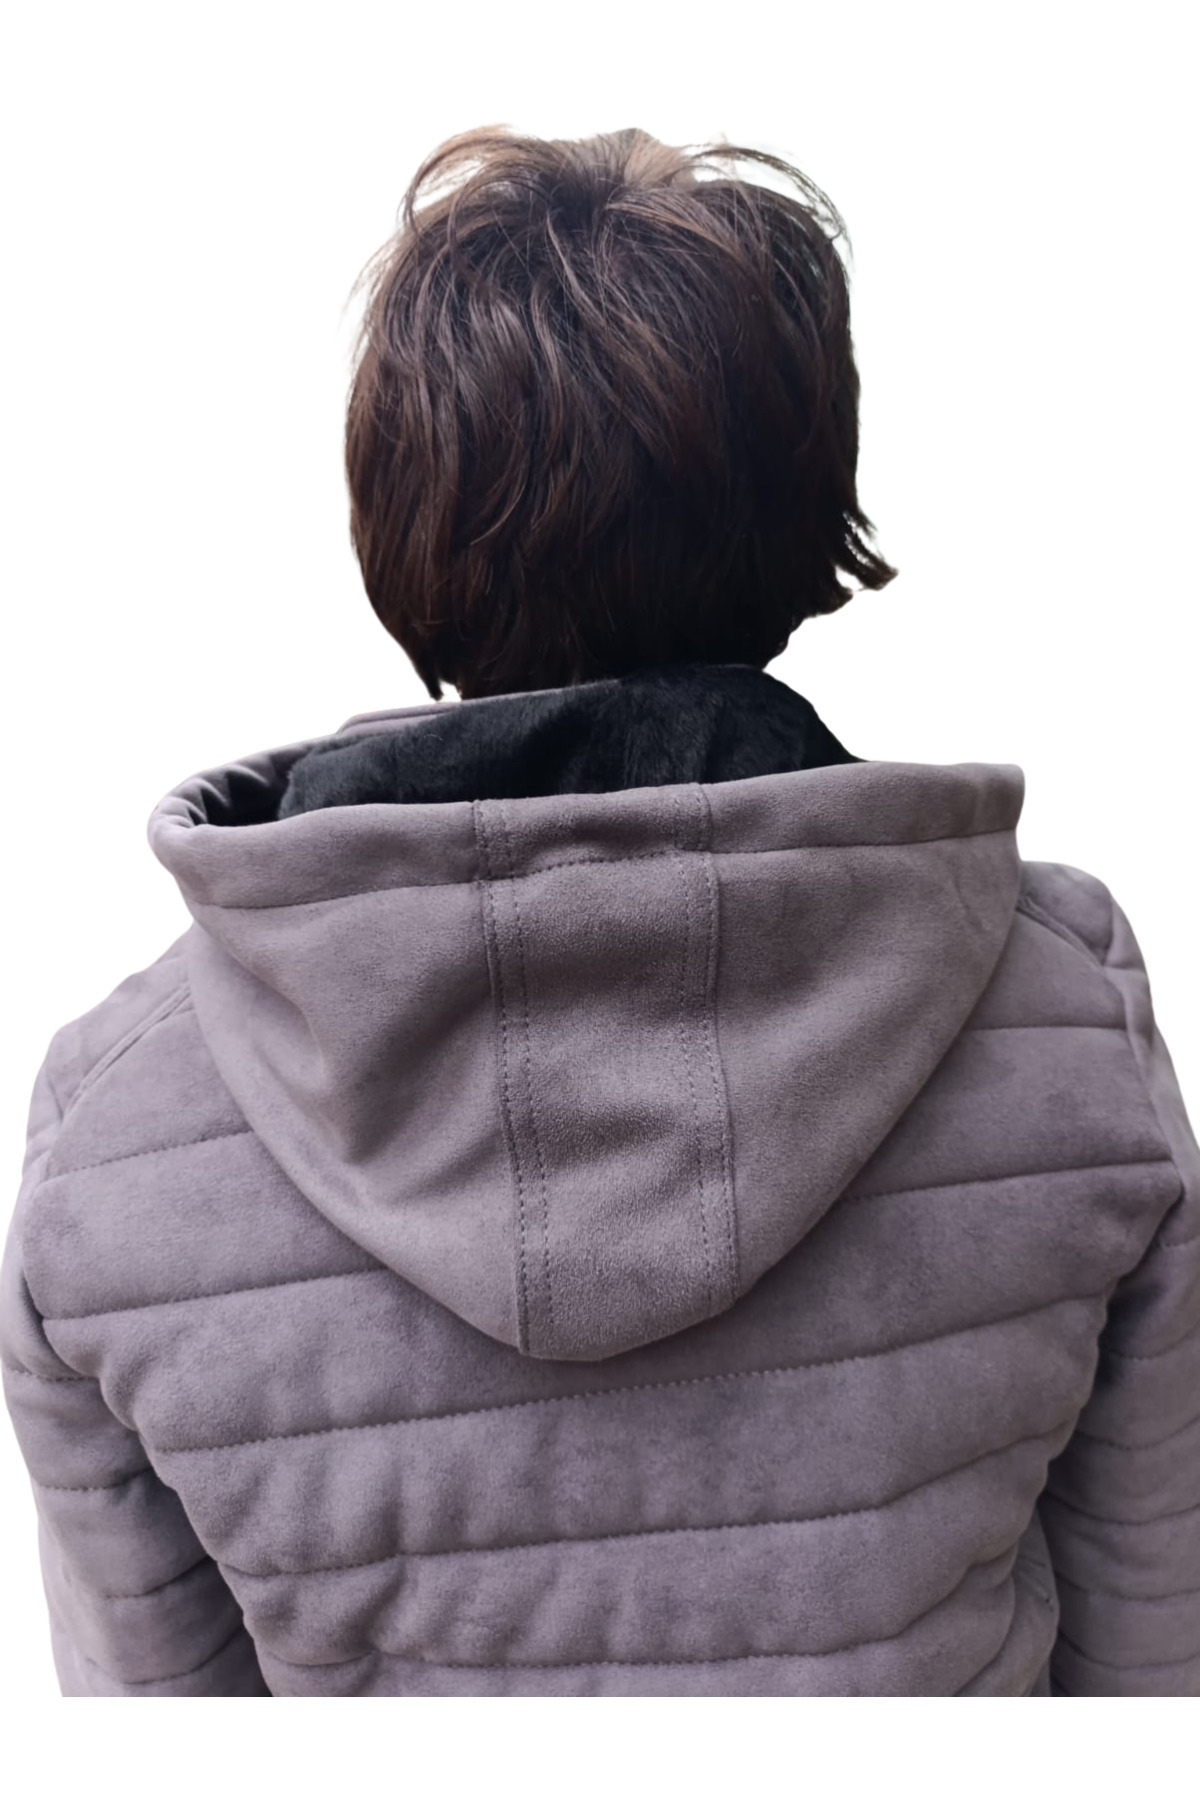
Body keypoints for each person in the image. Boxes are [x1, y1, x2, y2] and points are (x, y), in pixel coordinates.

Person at [3, 124, 1197, 1698]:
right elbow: (1157, 1658)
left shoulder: (112, 1140)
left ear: (398, 523)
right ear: (806, 506)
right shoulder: (1066, 1030)